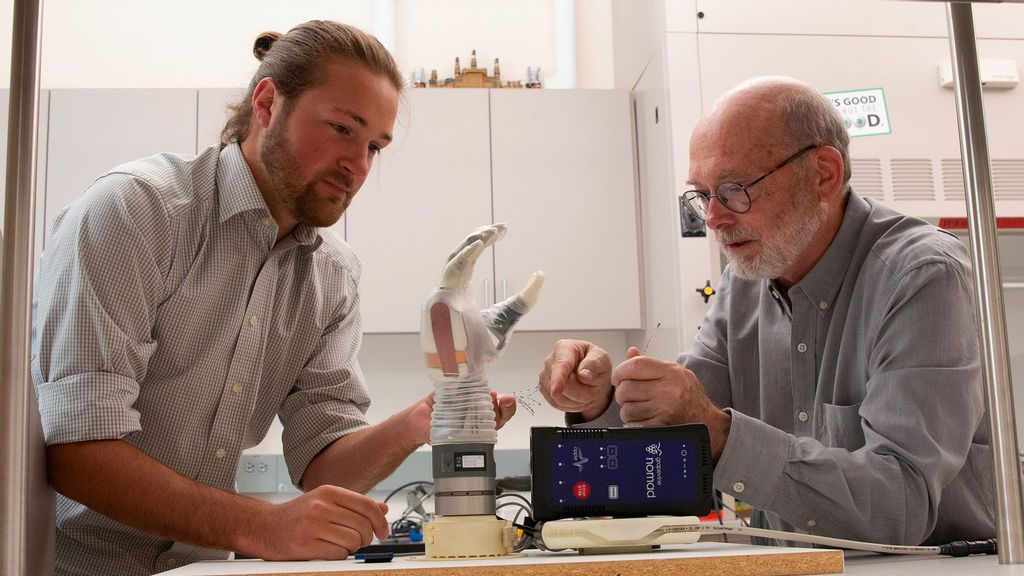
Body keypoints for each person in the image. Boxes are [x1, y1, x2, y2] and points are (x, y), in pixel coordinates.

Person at [31, 21, 515, 576]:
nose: (358, 166)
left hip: (201, 569)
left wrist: (415, 424)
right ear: (267, 103)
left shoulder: (333, 277)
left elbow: (320, 463)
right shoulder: (137, 213)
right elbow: (75, 451)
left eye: (374, 147)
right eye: (340, 128)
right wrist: (262, 525)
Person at [540, 76, 995, 546]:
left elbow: (902, 503)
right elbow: (676, 424)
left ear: (823, 174)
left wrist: (720, 433)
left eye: (736, 188)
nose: (714, 218)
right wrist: (599, 400)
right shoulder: (745, 282)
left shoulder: (920, 275)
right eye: (702, 194)